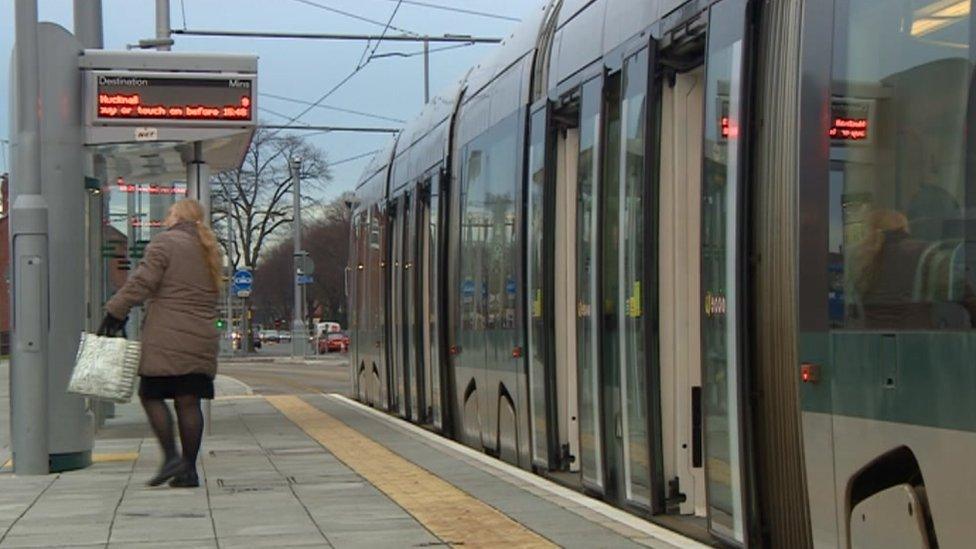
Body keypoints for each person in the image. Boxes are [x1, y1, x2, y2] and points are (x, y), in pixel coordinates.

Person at [99, 198, 221, 488]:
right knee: (189, 401)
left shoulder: (164, 244)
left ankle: (170, 458)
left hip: (168, 333)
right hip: (202, 336)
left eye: (170, 212)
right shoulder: (210, 249)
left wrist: (115, 310)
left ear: (178, 216)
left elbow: (142, 282)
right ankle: (188, 470)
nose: (166, 217)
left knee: (151, 394)